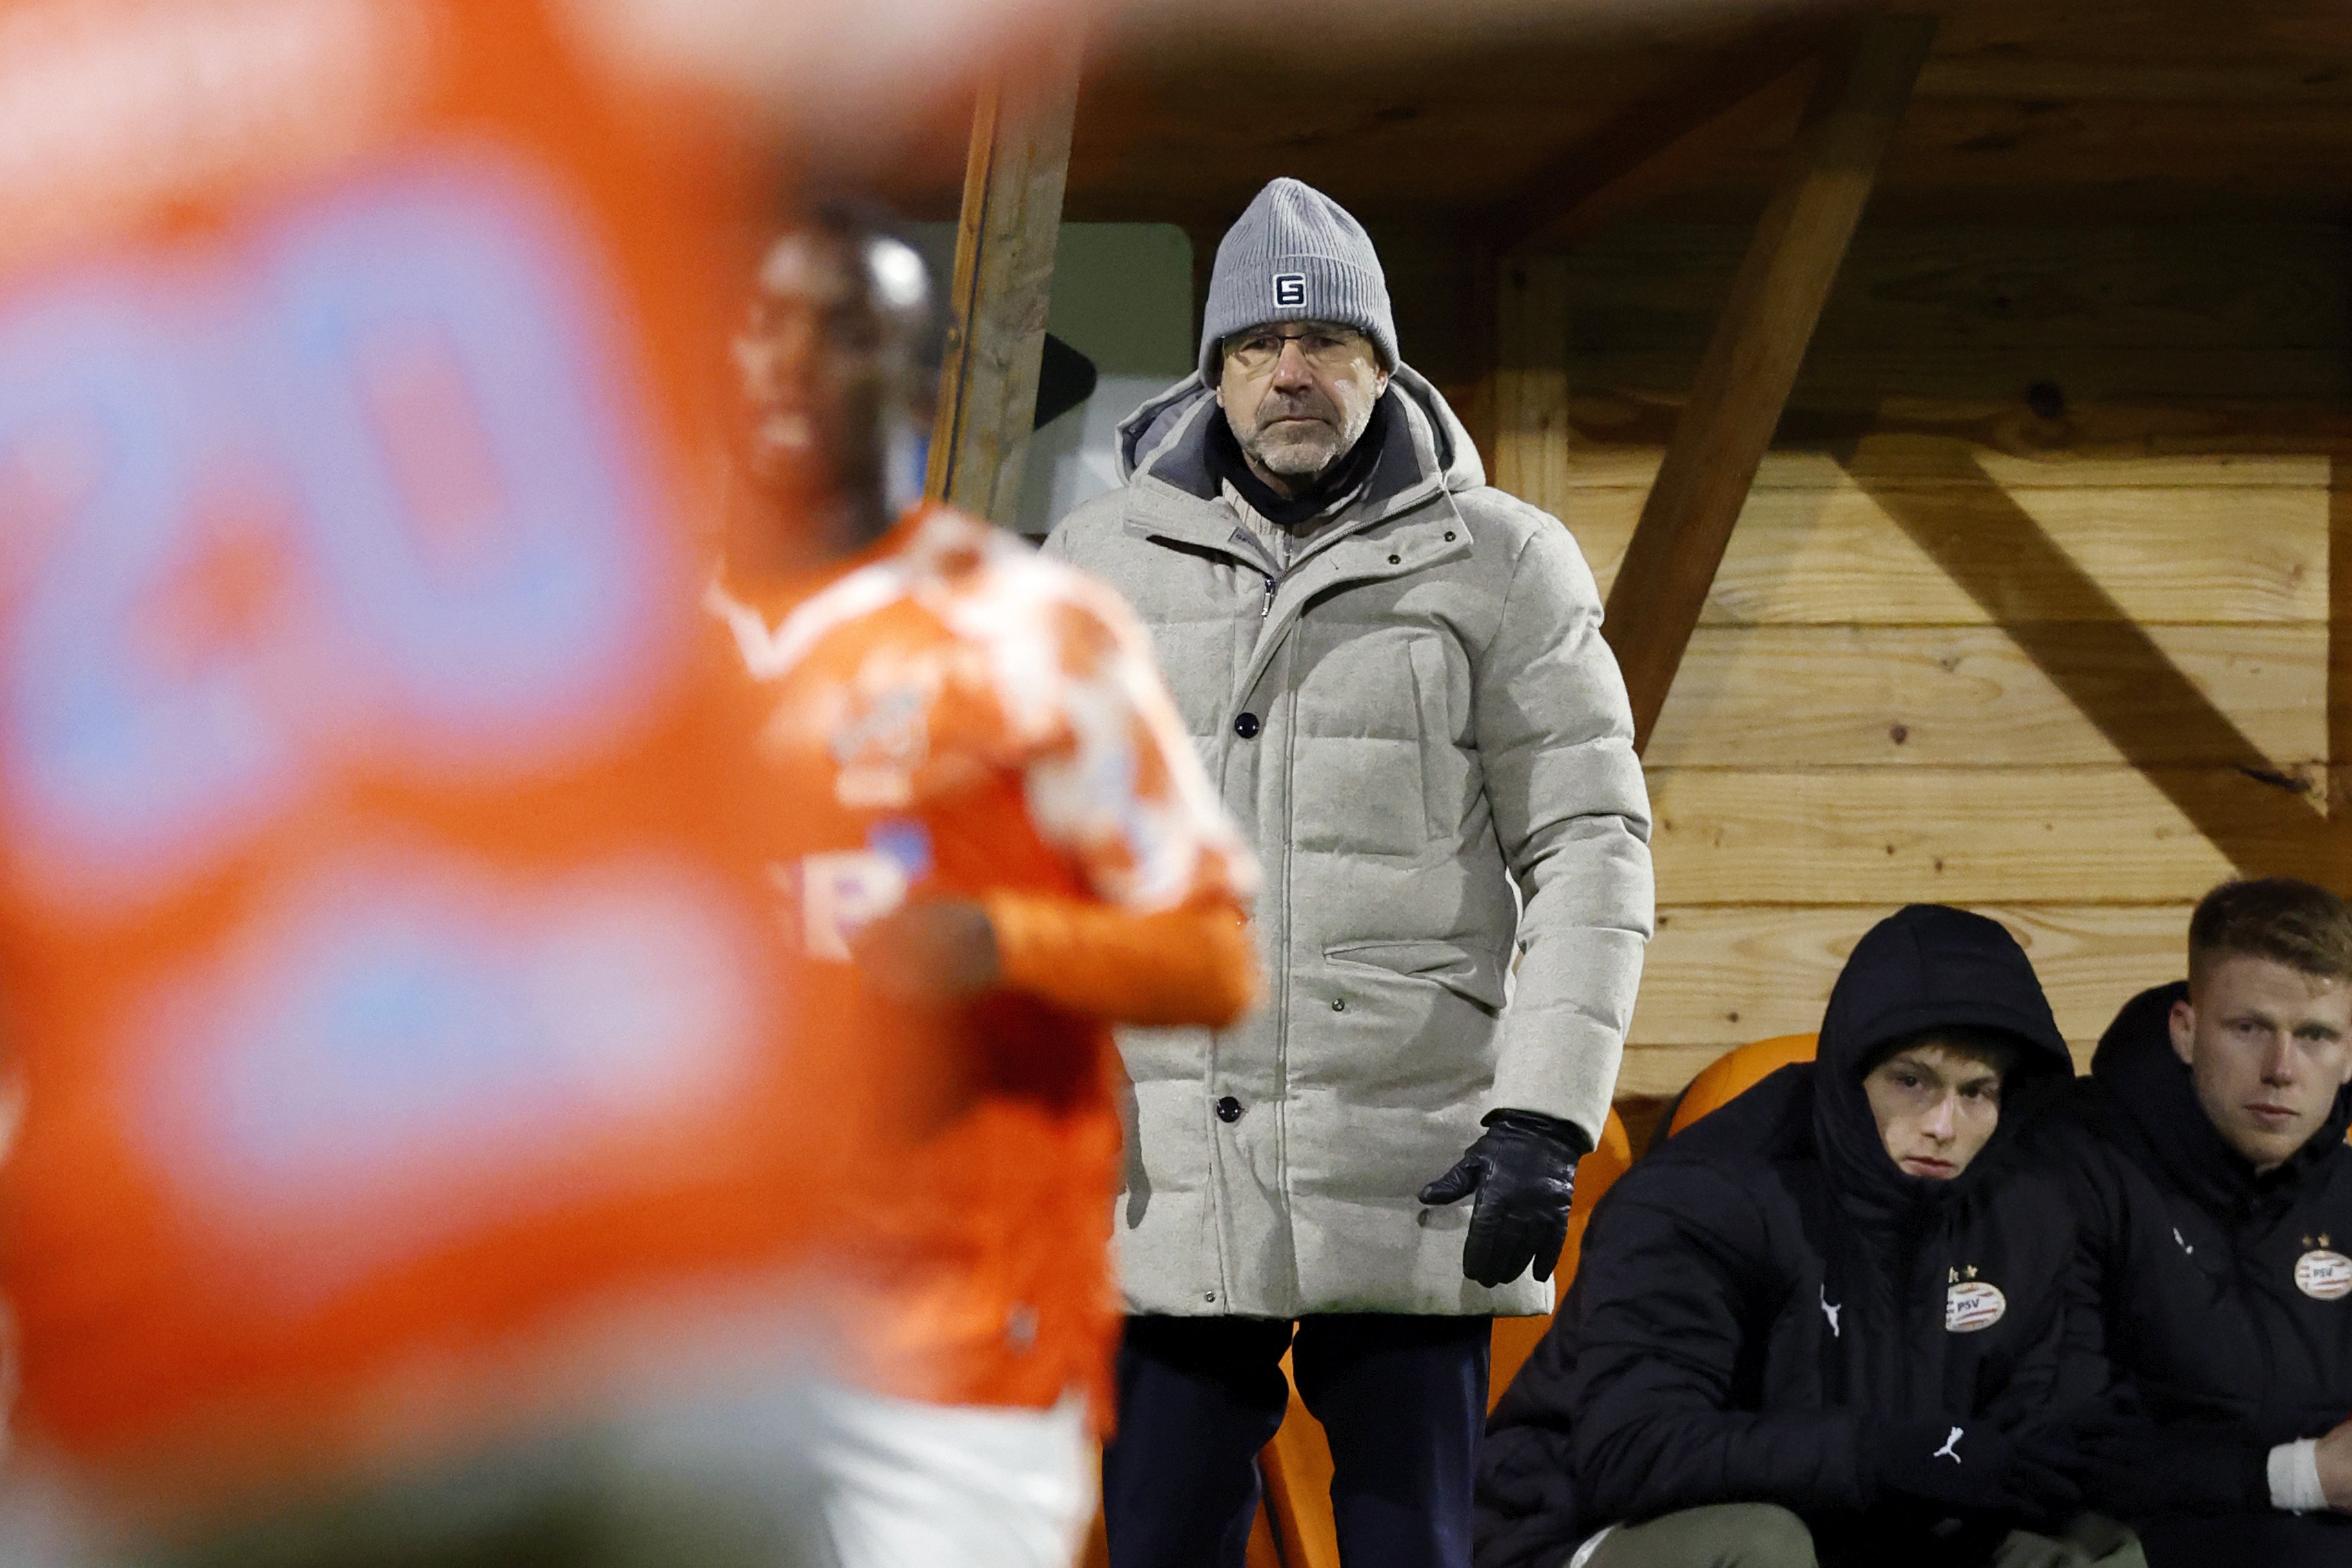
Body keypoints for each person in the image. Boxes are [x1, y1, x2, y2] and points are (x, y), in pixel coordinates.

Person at [1043, 176, 1654, 1568]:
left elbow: (1590, 841)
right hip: (1168, 1166)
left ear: (1382, 364)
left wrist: (1545, 1115)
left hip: (1414, 1158)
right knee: (1154, 1540)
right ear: (1214, 371)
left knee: (1411, 1545)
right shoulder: (1094, 564)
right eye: (1257, 344)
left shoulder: (1503, 562)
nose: (1291, 372)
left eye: (1326, 341)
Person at [713, 205, 1262, 1568]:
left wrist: (1002, 939)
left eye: (846, 331)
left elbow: (1210, 956)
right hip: (688, 1331)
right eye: (760, 327)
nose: (790, 363)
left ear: (924, 376)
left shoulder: (1034, 630)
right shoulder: (609, 642)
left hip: (952, 1330)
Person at [1478, 904, 2141, 1568]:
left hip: (1860, 1529)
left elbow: (2040, 1432)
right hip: (1575, 1529)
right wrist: (1878, 1455)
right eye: (1911, 1080)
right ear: (1852, 1076)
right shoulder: (1707, 1194)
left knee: (2093, 1545)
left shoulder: (2022, 1214)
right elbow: (1629, 1454)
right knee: (1763, 1546)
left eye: (1976, 1092)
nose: (1943, 1124)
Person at [2048, 878, 2352, 1565]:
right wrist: (2301, 1475)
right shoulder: (2076, 1170)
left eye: (2315, 1035)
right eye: (2248, 1028)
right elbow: (2066, 1447)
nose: (2280, 1069)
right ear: (2184, 1031)